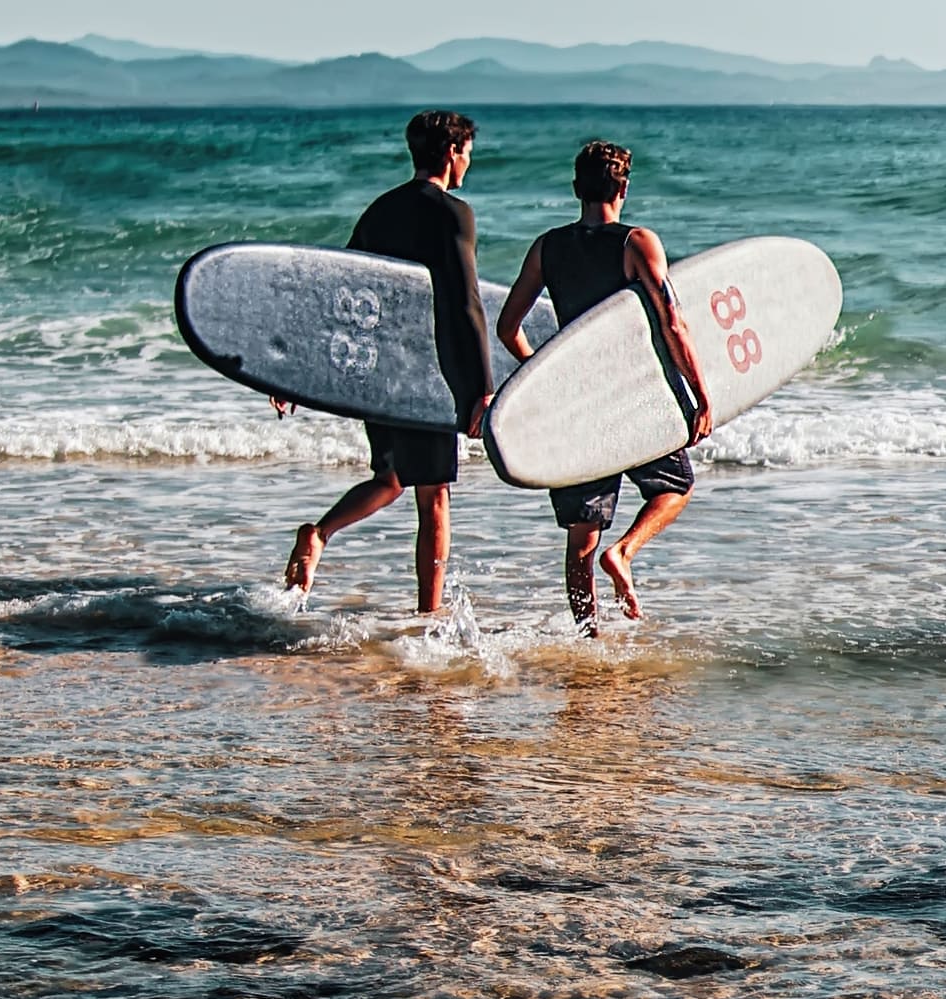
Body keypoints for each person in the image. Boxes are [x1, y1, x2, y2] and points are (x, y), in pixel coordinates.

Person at [281, 110, 490, 616]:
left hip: (377, 372)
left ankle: (320, 532)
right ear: (449, 154)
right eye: (465, 152)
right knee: (434, 497)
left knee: (393, 477)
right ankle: (429, 615)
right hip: (424, 374)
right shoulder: (453, 212)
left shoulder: (381, 210)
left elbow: (339, 294)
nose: (467, 162)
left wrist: (293, 370)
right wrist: (481, 387)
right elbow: (466, 303)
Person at [495, 139, 711, 625]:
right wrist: (700, 395)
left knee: (581, 535)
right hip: (631, 394)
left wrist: (543, 375)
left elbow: (507, 327)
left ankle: (587, 637)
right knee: (675, 486)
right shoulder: (636, 243)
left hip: (577, 400)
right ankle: (626, 552)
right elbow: (672, 320)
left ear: (577, 189)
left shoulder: (547, 247)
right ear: (624, 188)